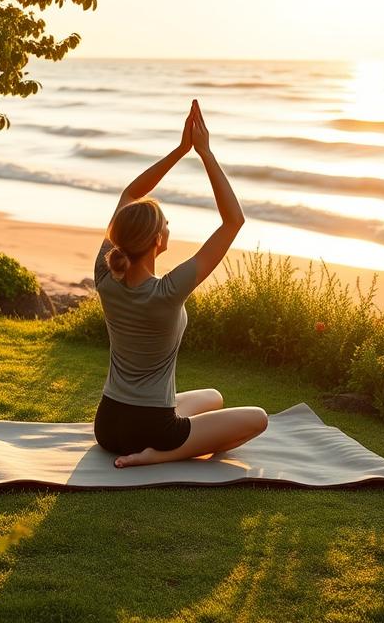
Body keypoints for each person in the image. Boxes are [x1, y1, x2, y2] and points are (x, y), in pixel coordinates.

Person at [93, 99, 269, 468]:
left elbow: (130, 194)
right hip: (153, 429)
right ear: (157, 240)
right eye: (166, 224)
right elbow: (233, 221)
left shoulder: (105, 274)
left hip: (107, 425)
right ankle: (156, 457)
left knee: (213, 397)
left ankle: (155, 447)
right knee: (257, 419)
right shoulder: (167, 292)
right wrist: (203, 153)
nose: (170, 227)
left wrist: (178, 151)